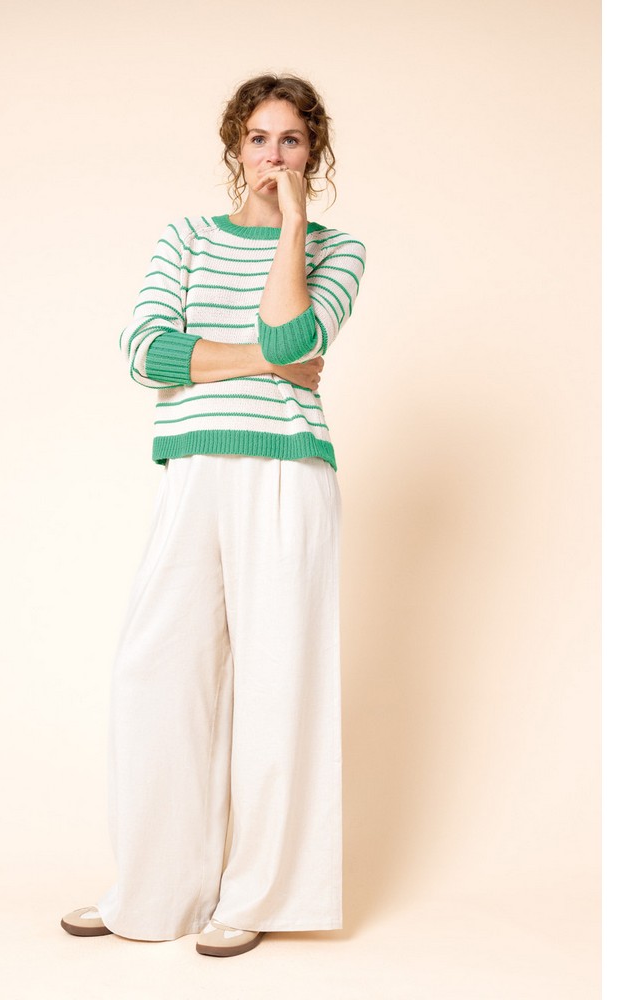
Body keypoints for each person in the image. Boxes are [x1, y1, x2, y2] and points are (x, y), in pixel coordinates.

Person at [61, 73, 366, 958]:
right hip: (194, 468)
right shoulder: (186, 238)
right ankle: (154, 889)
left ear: (313, 152)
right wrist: (268, 364)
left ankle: (257, 894)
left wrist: (294, 227)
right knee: (155, 672)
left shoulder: (338, 249)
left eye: (292, 140)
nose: (274, 154)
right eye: (260, 138)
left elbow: (292, 333)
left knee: (279, 682)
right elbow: (146, 354)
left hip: (288, 473)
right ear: (236, 145)